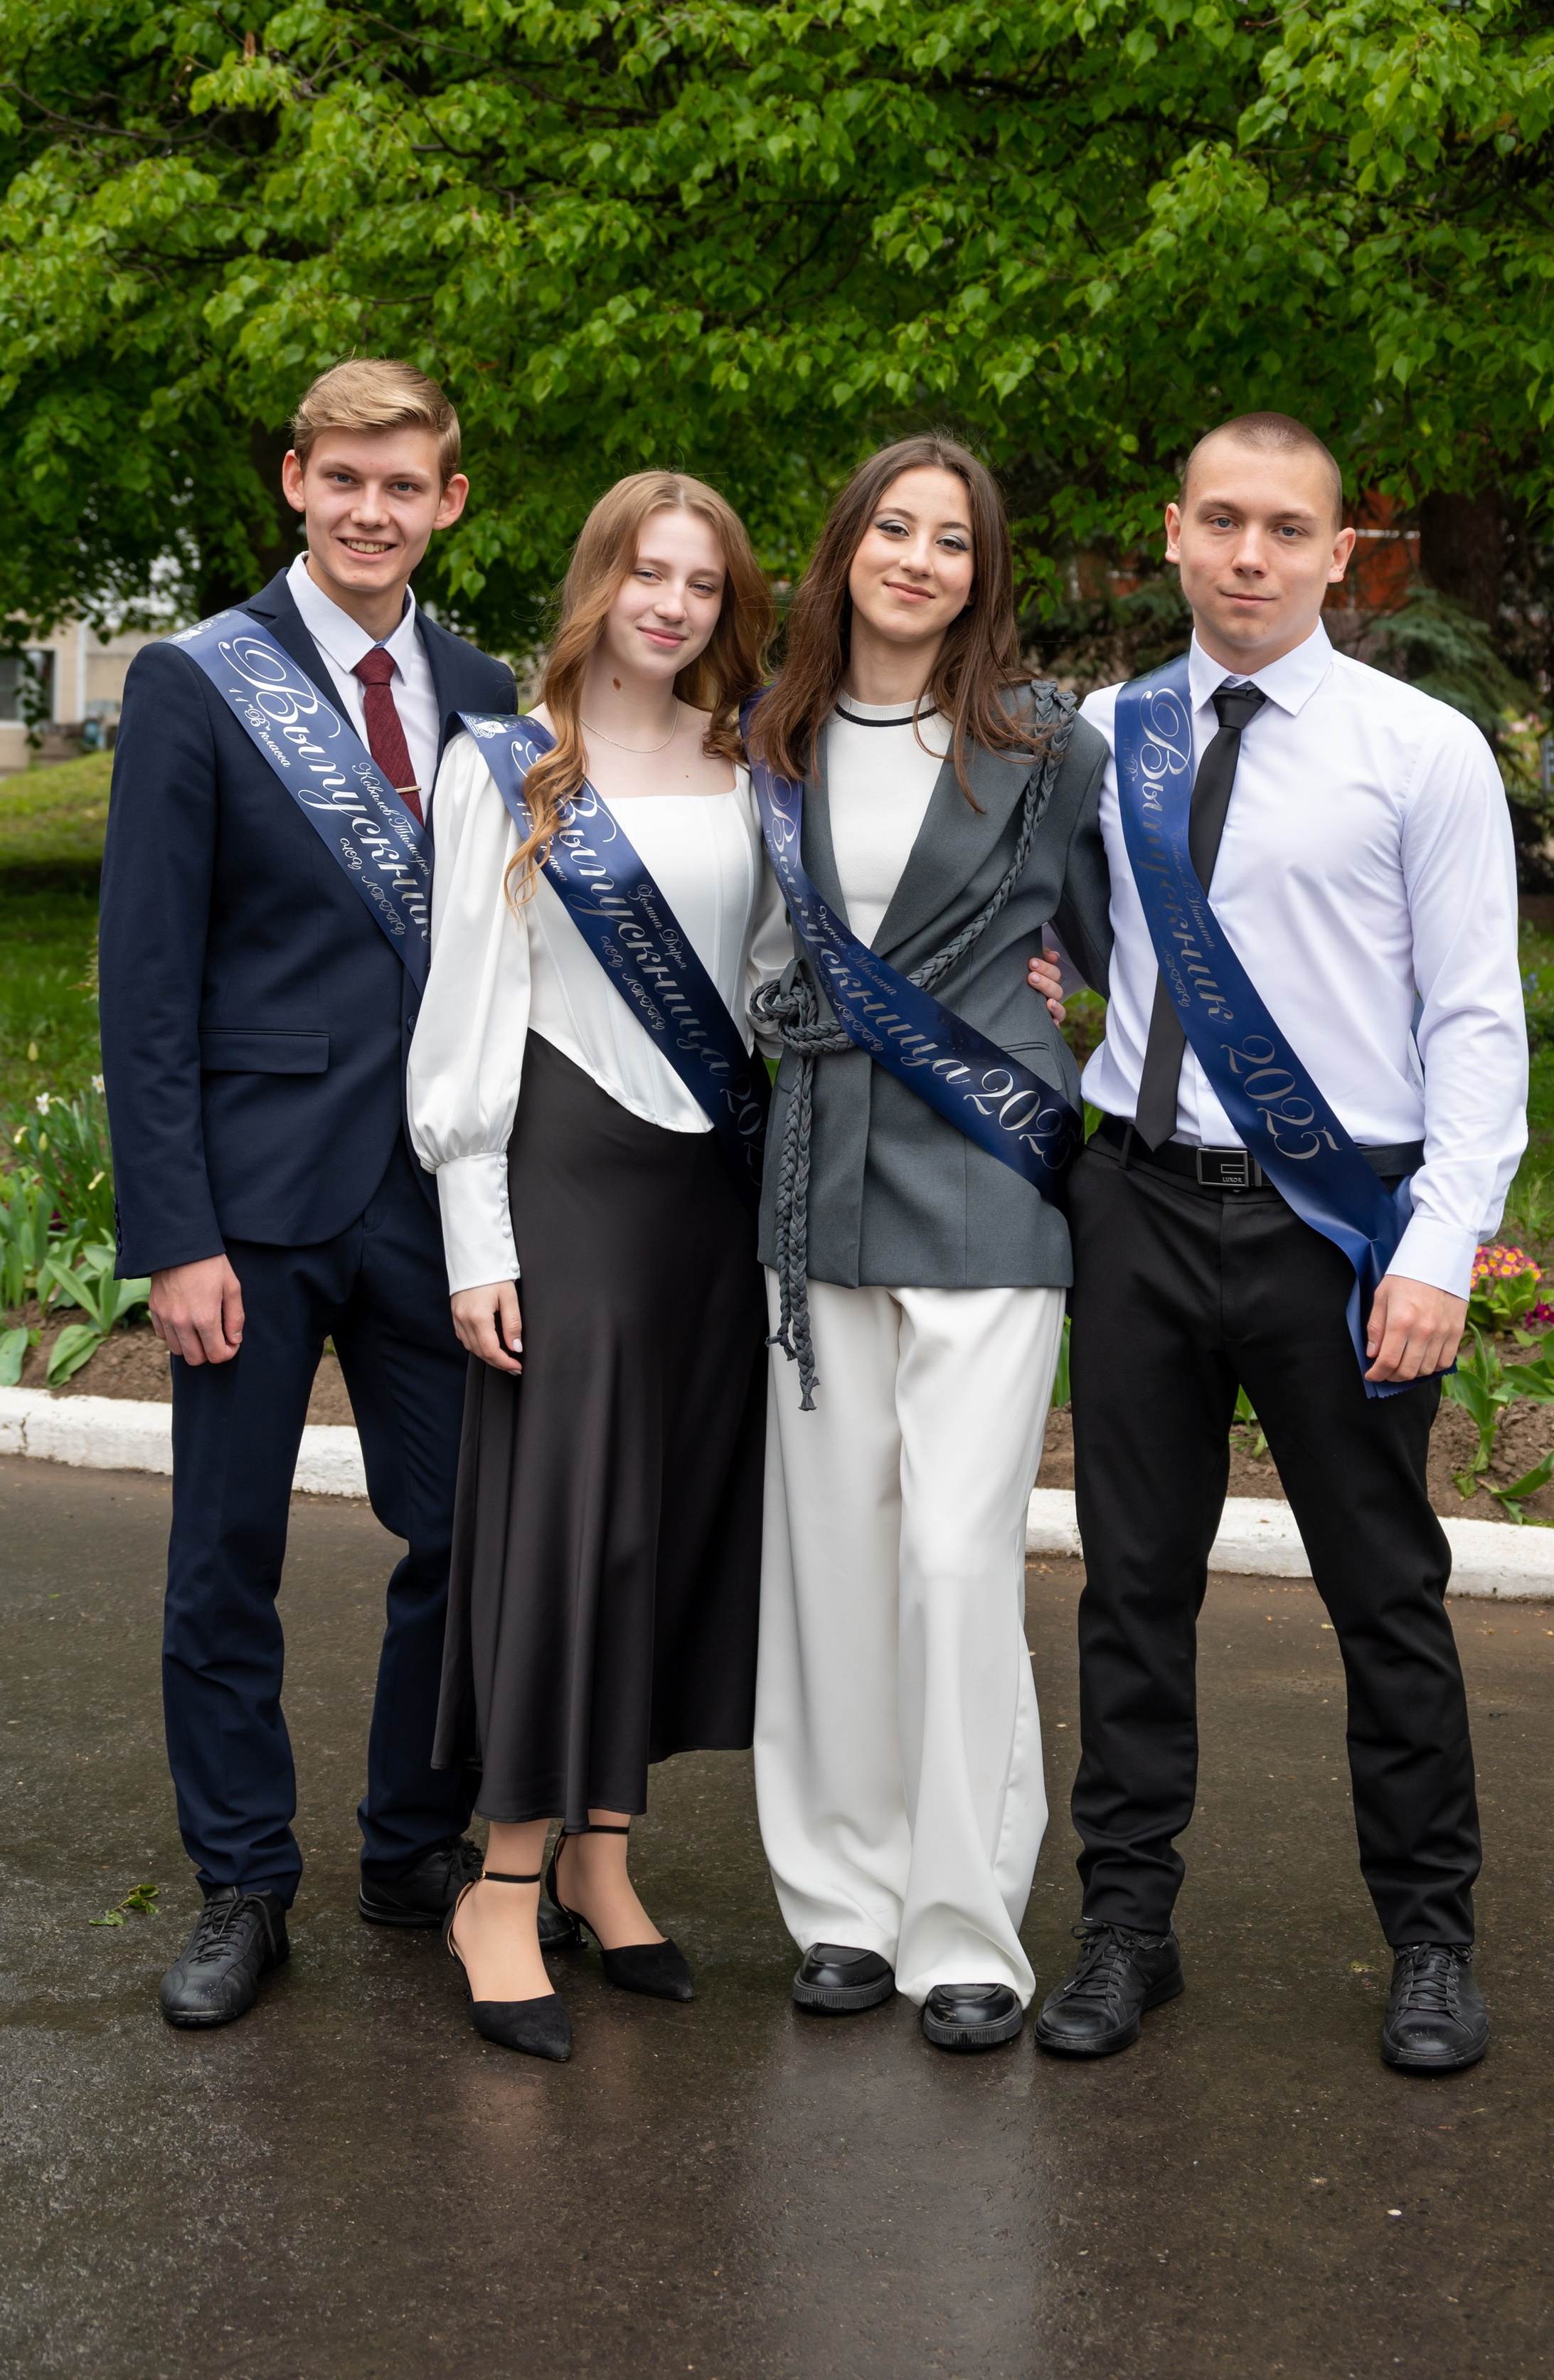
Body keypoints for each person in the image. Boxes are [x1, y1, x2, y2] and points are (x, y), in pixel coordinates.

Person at [1037, 411, 1528, 2076]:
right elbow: (1057, 942)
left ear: (1340, 556)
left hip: (1341, 1221)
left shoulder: (1422, 749)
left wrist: (1440, 1245)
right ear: (1171, 532)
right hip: (1141, 1203)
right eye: (1221, 522)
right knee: (1131, 1589)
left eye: (1286, 530)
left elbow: (1473, 1020)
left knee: (1382, 1594)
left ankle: (1430, 1941)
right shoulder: (1103, 739)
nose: (1249, 556)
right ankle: (1122, 1928)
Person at [101, 358, 549, 2031]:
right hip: (255, 1204)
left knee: (461, 1536)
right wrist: (175, 1232)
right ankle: (239, 1882)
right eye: (342, 479)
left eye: (405, 484)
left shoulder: (494, 690)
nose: (373, 511)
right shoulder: (197, 681)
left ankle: (406, 1842)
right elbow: (144, 980)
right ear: (296, 480)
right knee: (226, 1555)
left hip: (431, 1201)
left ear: (448, 499)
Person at [404, 470, 787, 2063]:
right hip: (566, 1170)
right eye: (649, 572)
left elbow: (771, 977)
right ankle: (499, 1880)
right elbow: (467, 1011)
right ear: (598, 580)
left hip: (714, 1184)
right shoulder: (509, 763)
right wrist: (475, 1238)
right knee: (564, 1524)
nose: (674, 604)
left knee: (673, 1520)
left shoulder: (753, 758)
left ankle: (605, 1859)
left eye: (702, 581)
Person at [743, 433, 1112, 2054]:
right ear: (844, 547)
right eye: (890, 527)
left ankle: (962, 1923)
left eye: (948, 540)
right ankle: (838, 1901)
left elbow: (1128, 952)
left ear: (982, 572)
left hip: (982, 1181)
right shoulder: (769, 738)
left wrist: (1070, 1015)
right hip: (815, 1177)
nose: (915, 558)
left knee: (957, 1565)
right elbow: (743, 950)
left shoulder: (1049, 747)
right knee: (827, 1564)